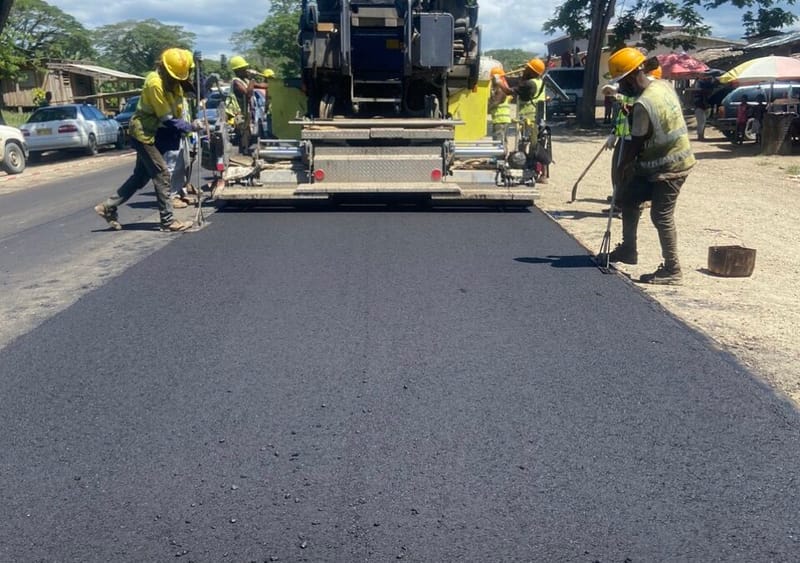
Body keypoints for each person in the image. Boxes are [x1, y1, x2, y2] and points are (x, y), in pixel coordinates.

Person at [598, 47, 696, 285]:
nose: (622, 87)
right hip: (655, 161)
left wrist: (622, 166)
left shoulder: (643, 104)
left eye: (622, 82)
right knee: (629, 199)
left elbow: (636, 141)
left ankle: (673, 270)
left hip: (671, 165)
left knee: (661, 216)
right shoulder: (662, 86)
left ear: (632, 76)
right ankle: (628, 250)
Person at [94, 48, 200, 232]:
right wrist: (191, 127)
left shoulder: (173, 82)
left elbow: (184, 92)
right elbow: (167, 118)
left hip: (157, 134)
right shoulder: (155, 84)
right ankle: (167, 222)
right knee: (162, 174)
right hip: (145, 134)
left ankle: (108, 207)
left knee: (140, 177)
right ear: (165, 70)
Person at [229, 55, 270, 154]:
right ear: (238, 71)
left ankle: (245, 152)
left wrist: (271, 81)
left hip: (247, 114)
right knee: (243, 137)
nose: (247, 71)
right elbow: (248, 94)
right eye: (244, 69)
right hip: (240, 115)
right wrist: (252, 79)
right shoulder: (236, 83)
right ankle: (243, 153)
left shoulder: (245, 81)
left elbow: (261, 86)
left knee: (248, 136)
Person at [488, 66, 513, 151]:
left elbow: (495, 102)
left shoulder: (500, 89)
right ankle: (502, 157)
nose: (491, 81)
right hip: (502, 120)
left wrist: (485, 109)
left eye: (492, 79)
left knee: (498, 141)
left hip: (500, 120)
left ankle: (499, 158)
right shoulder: (502, 87)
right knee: (502, 140)